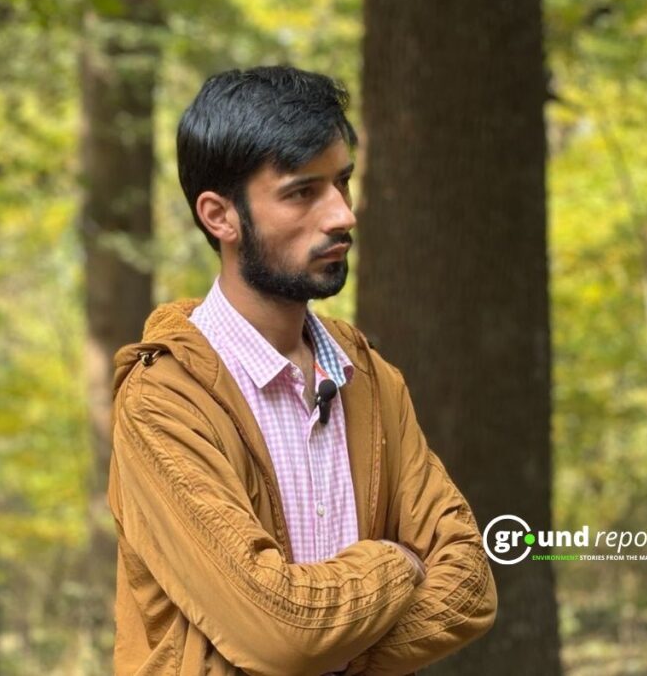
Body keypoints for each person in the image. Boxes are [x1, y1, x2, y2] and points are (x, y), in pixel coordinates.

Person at [108, 65, 497, 676]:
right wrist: (399, 564)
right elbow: (278, 632)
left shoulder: (370, 379)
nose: (342, 215)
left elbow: (470, 585)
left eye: (342, 182)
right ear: (220, 217)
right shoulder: (162, 401)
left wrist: (321, 648)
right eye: (302, 192)